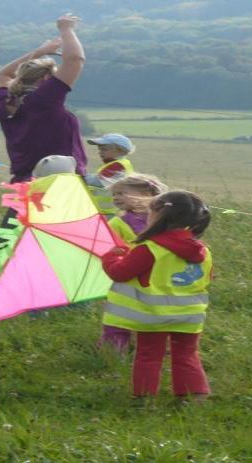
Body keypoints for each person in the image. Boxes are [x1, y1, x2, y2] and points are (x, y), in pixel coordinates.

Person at [101, 191, 213, 398]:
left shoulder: (150, 248)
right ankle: (194, 397)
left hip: (154, 315)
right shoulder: (203, 251)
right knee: (187, 355)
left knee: (148, 356)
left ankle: (144, 399)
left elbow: (119, 273)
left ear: (159, 215)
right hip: (190, 315)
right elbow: (208, 277)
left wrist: (110, 257)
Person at [0, 14, 87, 242]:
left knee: (10, 248)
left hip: (25, 187)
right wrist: (66, 29)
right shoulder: (43, 101)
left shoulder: (3, 104)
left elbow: (4, 74)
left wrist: (40, 52)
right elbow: (75, 60)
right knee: (68, 249)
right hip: (60, 185)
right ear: (45, 79)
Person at [97, 174, 168, 351]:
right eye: (114, 195)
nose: (115, 198)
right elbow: (108, 246)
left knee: (148, 312)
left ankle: (151, 346)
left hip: (152, 276)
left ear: (145, 193)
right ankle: (115, 348)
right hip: (130, 275)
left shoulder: (164, 219)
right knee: (120, 312)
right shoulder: (118, 222)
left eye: (121, 193)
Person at [85, 134, 136, 215]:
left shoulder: (117, 165)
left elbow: (97, 181)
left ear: (120, 150)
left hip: (109, 213)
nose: (100, 152)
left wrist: (78, 173)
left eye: (104, 149)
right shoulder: (118, 164)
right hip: (107, 211)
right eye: (99, 149)